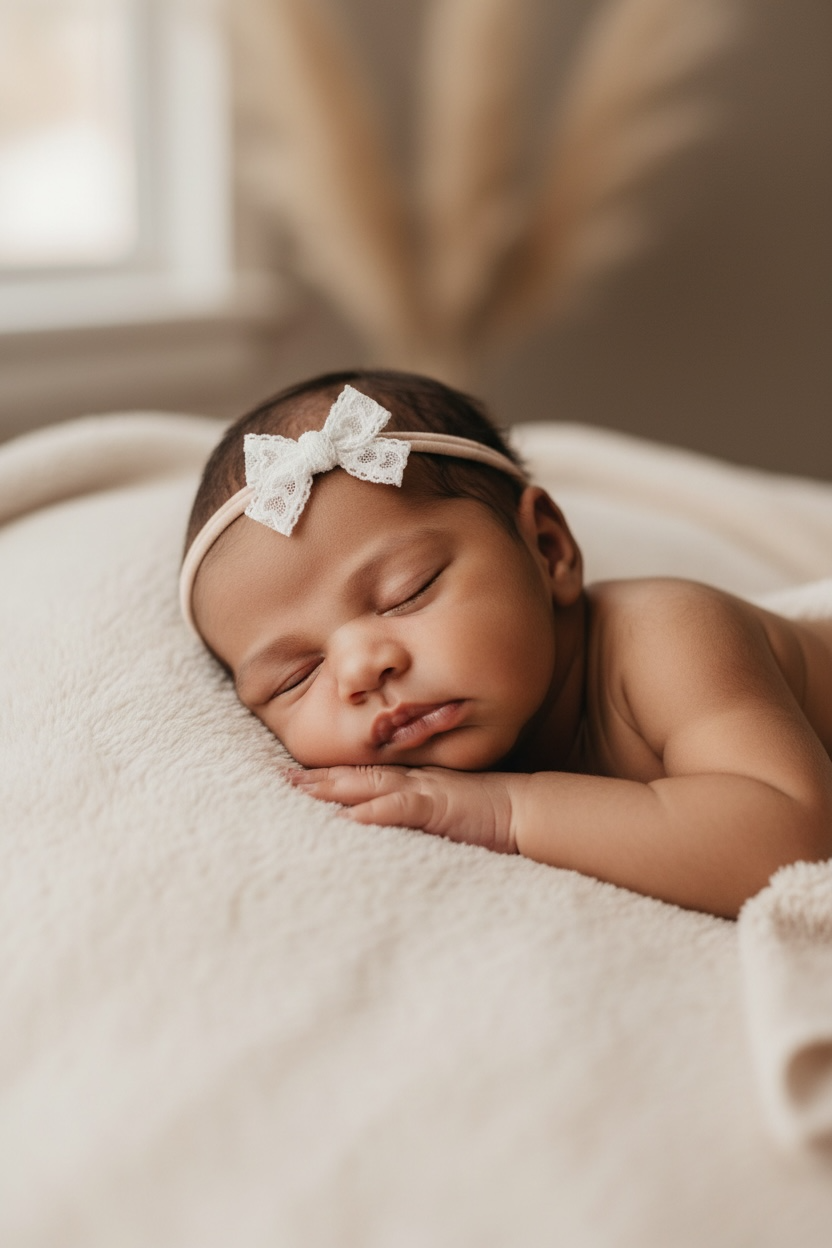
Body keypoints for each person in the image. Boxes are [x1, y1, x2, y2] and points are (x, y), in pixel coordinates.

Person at [180, 369, 832, 919]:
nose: (359, 670)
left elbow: (787, 841)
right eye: (295, 676)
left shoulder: (671, 635)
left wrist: (508, 812)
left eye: (409, 591)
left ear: (548, 549)